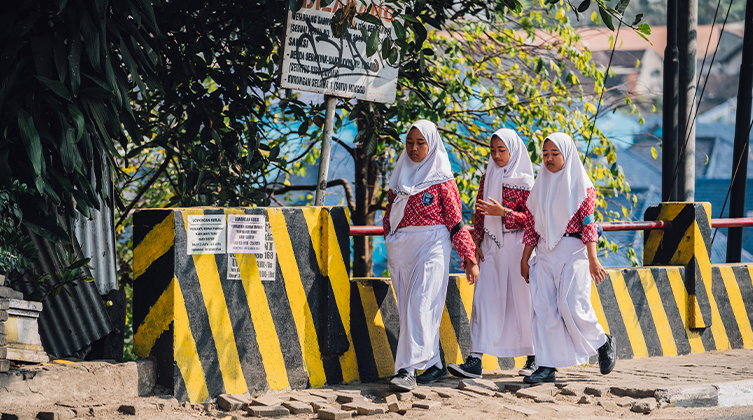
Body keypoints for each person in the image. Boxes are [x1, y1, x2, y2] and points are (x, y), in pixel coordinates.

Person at [383, 120, 479, 391]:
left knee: (420, 305)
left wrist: (469, 258)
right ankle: (435, 365)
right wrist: (390, 237)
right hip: (403, 250)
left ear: (432, 144)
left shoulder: (443, 180)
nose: (414, 148)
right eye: (410, 143)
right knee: (411, 309)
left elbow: (456, 223)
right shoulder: (400, 176)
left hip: (433, 247)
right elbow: (389, 212)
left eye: (421, 143)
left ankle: (407, 370)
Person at [519, 133, 616, 384]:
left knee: (572, 305)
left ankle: (602, 342)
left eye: (555, 154)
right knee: (544, 309)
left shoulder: (582, 186)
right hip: (544, 253)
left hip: (574, 251)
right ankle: (546, 365)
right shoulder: (539, 188)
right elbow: (532, 226)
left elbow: (588, 224)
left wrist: (593, 259)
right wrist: (525, 258)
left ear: (567, 154)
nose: (549, 159)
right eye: (545, 155)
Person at [447, 129, 537, 379]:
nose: (497, 155)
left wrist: (504, 213)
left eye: (502, 150)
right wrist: (476, 243)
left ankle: (534, 357)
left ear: (514, 150)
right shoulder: (487, 179)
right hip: (491, 248)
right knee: (484, 301)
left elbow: (533, 220)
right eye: (493, 150)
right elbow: (479, 214)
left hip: (520, 248)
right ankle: (475, 359)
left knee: (524, 302)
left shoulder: (527, 182)